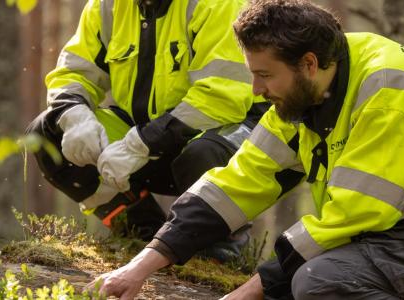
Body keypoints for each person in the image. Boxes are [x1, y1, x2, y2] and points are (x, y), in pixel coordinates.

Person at [90, 0, 404, 299]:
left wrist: (243, 294)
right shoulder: (305, 91)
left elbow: (351, 218)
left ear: (308, 64)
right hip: (397, 238)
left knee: (319, 281)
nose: (255, 89)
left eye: (264, 75)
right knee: (306, 277)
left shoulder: (391, 93)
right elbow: (239, 182)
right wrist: (138, 267)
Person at [26, 0, 268, 259]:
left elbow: (222, 98)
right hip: (148, 135)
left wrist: (140, 144)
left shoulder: (219, 4)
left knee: (203, 153)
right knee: (47, 135)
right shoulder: (107, 6)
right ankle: (143, 236)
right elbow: (73, 71)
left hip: (228, 134)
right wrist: (74, 115)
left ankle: (217, 251)